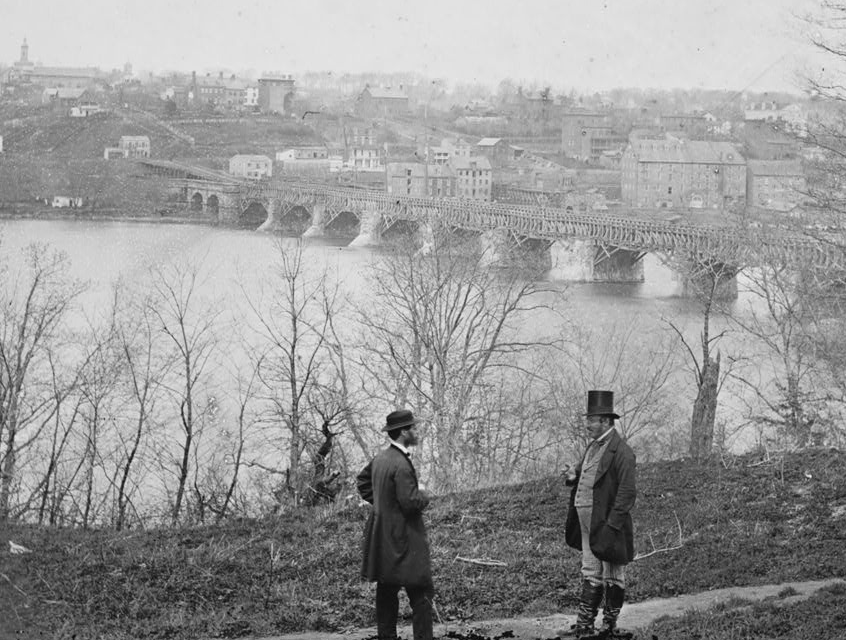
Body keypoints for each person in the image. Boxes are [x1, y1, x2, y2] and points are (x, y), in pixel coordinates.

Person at [562, 390, 637, 638]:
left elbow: (626, 493)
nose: (587, 425)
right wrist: (574, 477)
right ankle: (585, 626)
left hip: (607, 522)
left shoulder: (623, 452)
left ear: (605, 421)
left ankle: (609, 628)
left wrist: (612, 526)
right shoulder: (593, 447)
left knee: (613, 573)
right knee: (591, 570)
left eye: (591, 420)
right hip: (586, 520)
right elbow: (587, 474)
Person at [357, 409, 434, 640]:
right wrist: (424, 494)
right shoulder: (401, 464)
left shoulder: (381, 458)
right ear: (403, 432)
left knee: (387, 590)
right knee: (421, 592)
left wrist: (383, 503)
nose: (416, 431)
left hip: (383, 538)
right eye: (413, 428)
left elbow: (362, 482)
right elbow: (410, 503)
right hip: (404, 539)